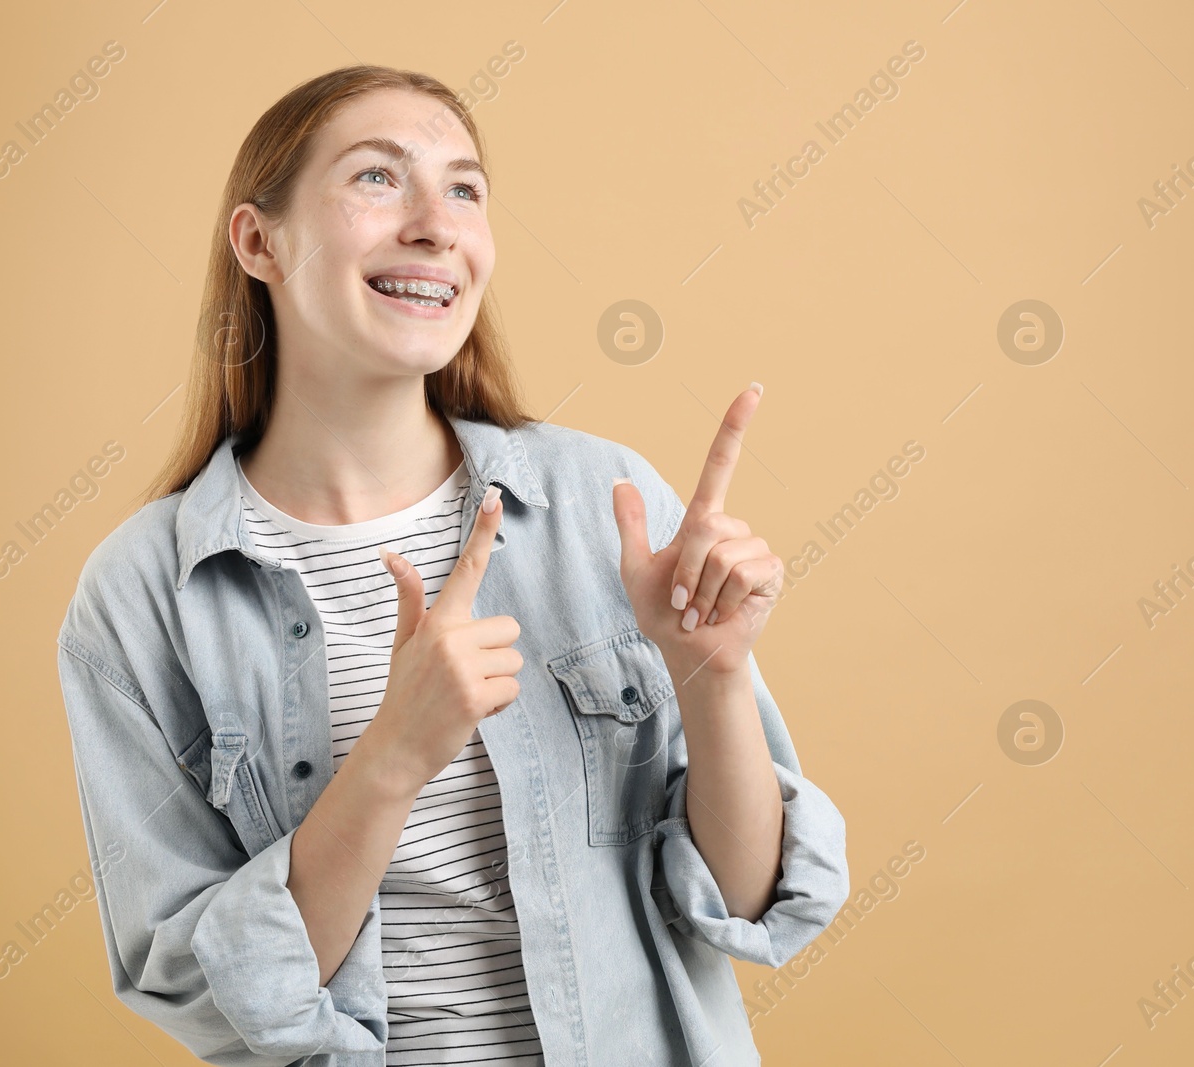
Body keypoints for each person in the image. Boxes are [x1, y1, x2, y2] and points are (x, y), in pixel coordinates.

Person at [56, 64, 849, 1066]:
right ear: (259, 242)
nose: (437, 224)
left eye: (465, 188)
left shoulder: (603, 506)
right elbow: (206, 992)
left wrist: (713, 673)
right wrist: (392, 755)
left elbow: (748, 905)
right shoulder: (139, 598)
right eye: (378, 179)